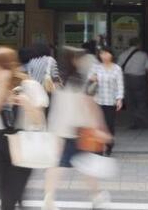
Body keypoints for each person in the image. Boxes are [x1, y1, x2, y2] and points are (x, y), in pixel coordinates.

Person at [0, 46, 49, 210]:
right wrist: (3, 87)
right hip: (0, 142)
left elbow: (39, 121)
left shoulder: (30, 85)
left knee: (10, 197)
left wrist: (26, 103)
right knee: (4, 192)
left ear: (6, 66)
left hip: (25, 143)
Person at [44, 47, 112, 210]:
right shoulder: (81, 80)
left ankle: (49, 198)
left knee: (58, 165)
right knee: (85, 164)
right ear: (74, 60)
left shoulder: (57, 79)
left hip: (59, 127)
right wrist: (101, 128)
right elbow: (90, 105)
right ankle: (97, 196)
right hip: (79, 128)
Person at [89, 46, 124, 156]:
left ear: (111, 55)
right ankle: (98, 148)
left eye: (106, 53)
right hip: (97, 101)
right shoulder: (96, 67)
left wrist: (119, 99)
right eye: (102, 53)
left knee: (109, 125)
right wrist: (91, 78)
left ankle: (108, 146)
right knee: (97, 125)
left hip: (110, 101)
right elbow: (88, 80)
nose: (104, 56)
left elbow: (120, 85)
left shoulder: (117, 68)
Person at [118, 37, 148, 129]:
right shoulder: (143, 55)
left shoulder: (123, 55)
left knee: (130, 102)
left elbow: (117, 69)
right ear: (138, 44)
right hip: (139, 80)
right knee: (141, 101)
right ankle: (142, 122)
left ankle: (133, 123)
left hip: (126, 79)